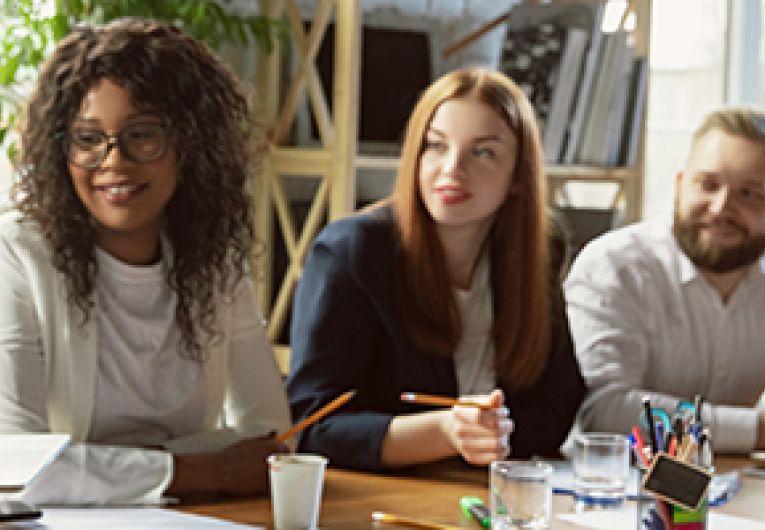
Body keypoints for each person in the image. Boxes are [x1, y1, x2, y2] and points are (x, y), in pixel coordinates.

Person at [0, 18, 291, 505]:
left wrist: (98, 469)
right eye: (88, 139)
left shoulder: (213, 254)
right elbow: (14, 463)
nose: (114, 161)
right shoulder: (17, 252)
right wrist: (202, 470)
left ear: (189, 144)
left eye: (143, 135)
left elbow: (268, 438)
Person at [286, 68, 586, 471]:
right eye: (435, 146)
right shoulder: (351, 253)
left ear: (518, 176)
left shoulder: (537, 251)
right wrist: (446, 433)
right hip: (381, 499)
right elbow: (310, 427)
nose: (452, 169)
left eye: (482, 152)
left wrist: (494, 433)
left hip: (486, 496)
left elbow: (555, 406)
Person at [565, 107, 765, 453]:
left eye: (750, 193)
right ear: (679, 184)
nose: (720, 208)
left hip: (737, 496)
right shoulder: (615, 266)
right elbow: (606, 411)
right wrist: (755, 431)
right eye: (707, 184)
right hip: (613, 493)